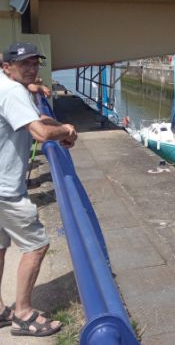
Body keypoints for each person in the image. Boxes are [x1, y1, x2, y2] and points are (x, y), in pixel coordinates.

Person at [0, 41, 77, 337]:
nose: (32, 69)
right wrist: (65, 131)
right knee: (36, 245)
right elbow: (41, 132)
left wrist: (58, 126)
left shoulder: (9, 85)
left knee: (0, 247)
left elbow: (38, 119)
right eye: (25, 64)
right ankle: (23, 315)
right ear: (7, 67)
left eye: (35, 63)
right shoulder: (13, 92)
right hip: (5, 191)